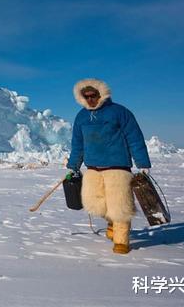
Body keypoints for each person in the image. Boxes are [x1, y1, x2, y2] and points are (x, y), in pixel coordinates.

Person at [66, 78, 151, 254]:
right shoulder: (81, 116)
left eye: (93, 95)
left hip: (117, 168)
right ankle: (111, 223)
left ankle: (121, 242)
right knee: (98, 205)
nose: (90, 99)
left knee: (120, 207)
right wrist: (73, 165)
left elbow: (134, 138)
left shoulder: (119, 112)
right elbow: (78, 144)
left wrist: (142, 163)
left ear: (101, 94)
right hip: (93, 170)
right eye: (86, 96)